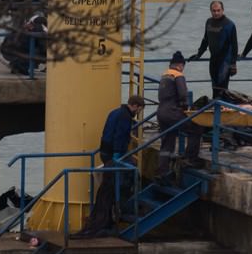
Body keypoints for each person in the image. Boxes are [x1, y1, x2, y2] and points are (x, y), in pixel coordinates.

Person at [77, 95, 146, 237]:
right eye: (139, 110)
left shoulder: (114, 112)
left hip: (104, 151)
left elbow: (107, 132)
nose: (138, 113)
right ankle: (120, 211)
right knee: (130, 175)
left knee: (107, 187)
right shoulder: (125, 117)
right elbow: (120, 137)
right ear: (135, 106)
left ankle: (109, 215)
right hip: (114, 154)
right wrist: (118, 155)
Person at [157, 51, 204, 176]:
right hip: (172, 111)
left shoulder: (164, 75)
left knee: (167, 141)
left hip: (161, 112)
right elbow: (183, 94)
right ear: (180, 65)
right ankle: (190, 158)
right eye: (183, 66)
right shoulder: (178, 75)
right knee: (196, 128)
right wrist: (185, 106)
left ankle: (163, 171)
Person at [189, 0, 238, 100]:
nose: (216, 13)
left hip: (225, 62)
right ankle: (216, 112)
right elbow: (205, 40)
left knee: (222, 89)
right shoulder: (209, 22)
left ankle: (223, 112)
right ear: (210, 11)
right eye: (213, 11)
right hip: (213, 60)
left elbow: (234, 45)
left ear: (223, 10)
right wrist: (199, 54)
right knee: (214, 87)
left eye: (218, 10)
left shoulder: (229, 24)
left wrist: (233, 63)